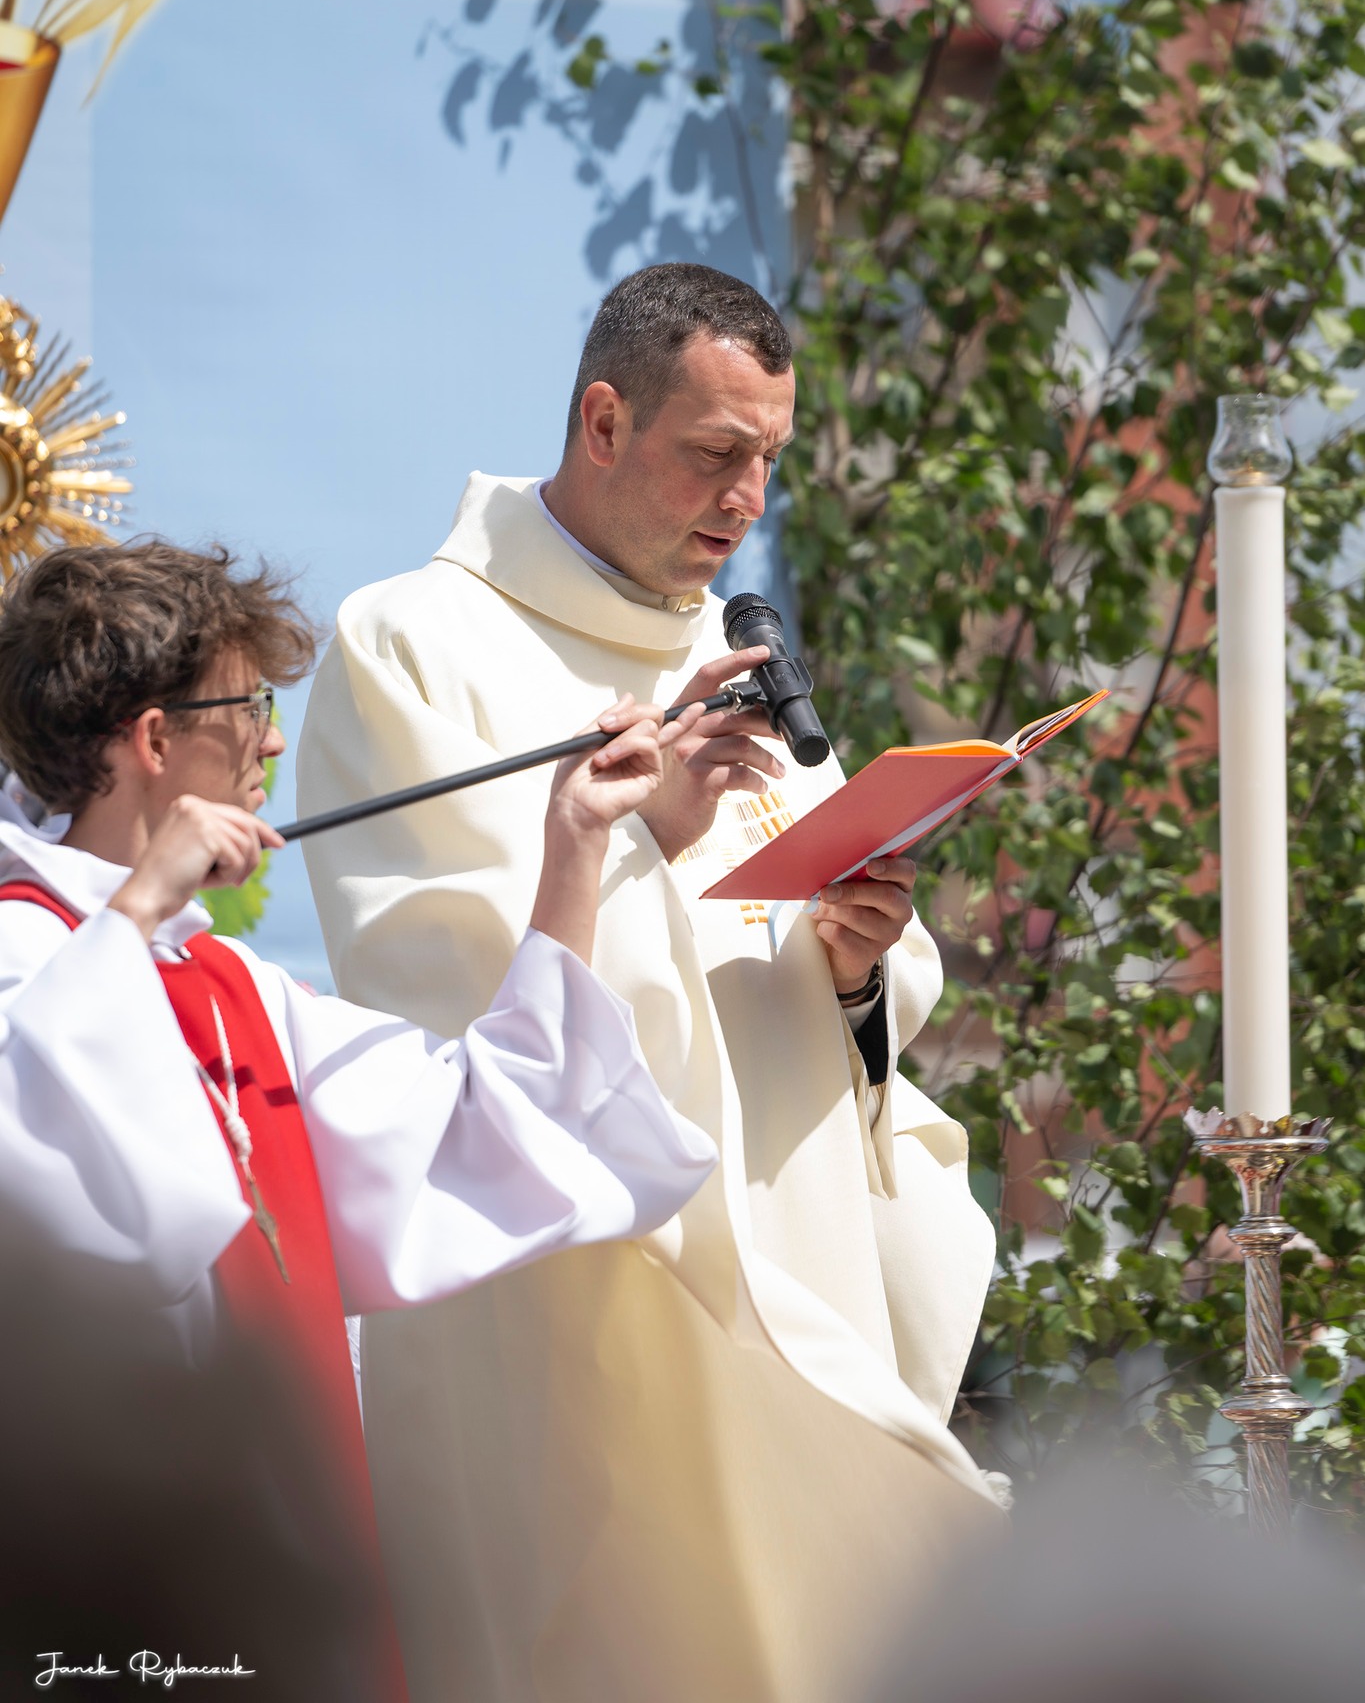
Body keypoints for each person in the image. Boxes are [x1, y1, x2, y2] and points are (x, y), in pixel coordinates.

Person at [298, 262, 1005, 1703]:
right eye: (716, 453)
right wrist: (652, 844)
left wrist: (853, 965)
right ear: (606, 422)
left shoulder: (731, 656)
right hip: (586, 1309)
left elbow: (829, 988)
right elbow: (446, 987)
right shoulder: (413, 643)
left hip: (794, 1271)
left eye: (769, 460)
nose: (747, 499)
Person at [0, 538, 716, 1702]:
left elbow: (477, 1120)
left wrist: (576, 841)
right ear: (154, 740)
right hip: (104, 1584)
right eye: (249, 707)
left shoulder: (230, 983)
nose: (273, 742)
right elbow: (41, 1192)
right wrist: (135, 908)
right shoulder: (29, 952)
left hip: (281, 1552)